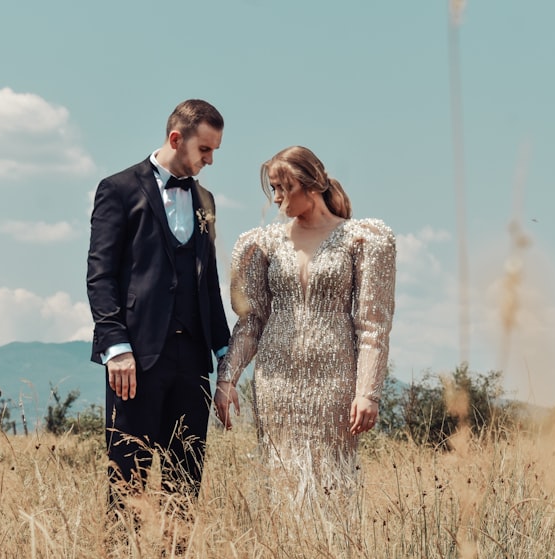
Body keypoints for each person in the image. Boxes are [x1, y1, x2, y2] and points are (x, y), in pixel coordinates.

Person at [214, 146, 396, 502]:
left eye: (284, 188)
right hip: (275, 380)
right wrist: (227, 377)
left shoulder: (362, 238)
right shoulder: (259, 245)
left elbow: (373, 325)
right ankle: (284, 554)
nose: (278, 198)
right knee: (280, 479)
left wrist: (367, 392)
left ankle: (331, 556)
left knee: (331, 482)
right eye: (273, 188)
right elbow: (251, 321)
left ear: (311, 184)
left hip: (335, 380)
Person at [86, 99, 231, 516]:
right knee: (127, 480)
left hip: (192, 362)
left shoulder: (206, 200)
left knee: (185, 483)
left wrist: (224, 357)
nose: (209, 160)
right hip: (137, 359)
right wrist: (116, 347)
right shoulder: (118, 189)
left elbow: (208, 284)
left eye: (214, 151)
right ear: (175, 138)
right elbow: (100, 275)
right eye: (204, 150)